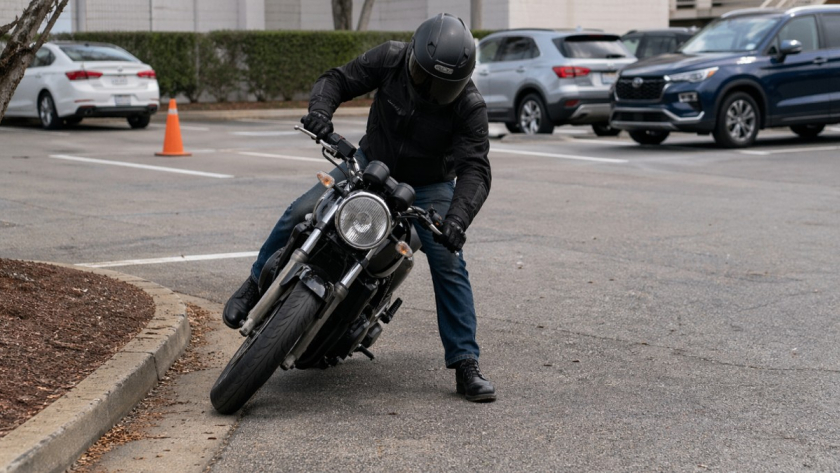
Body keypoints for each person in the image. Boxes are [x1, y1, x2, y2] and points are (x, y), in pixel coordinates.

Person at [223, 13, 495, 402]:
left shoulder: (469, 105)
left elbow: (476, 169)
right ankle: (253, 286)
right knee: (302, 211)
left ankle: (465, 362)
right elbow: (338, 79)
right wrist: (321, 111)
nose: (430, 89)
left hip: (429, 185)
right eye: (423, 76)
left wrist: (457, 219)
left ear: (461, 81)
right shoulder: (390, 57)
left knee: (450, 262)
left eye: (442, 86)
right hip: (371, 162)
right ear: (414, 58)